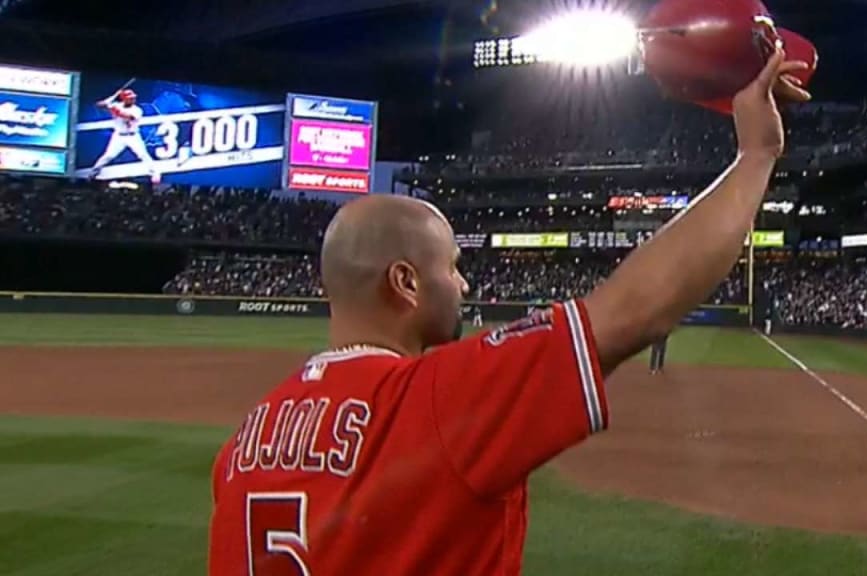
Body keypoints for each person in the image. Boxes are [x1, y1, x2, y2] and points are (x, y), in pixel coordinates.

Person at [207, 48, 811, 576]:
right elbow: (639, 309)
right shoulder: (436, 400)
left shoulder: (246, 441)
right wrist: (755, 155)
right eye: (452, 266)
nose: (464, 283)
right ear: (405, 283)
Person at [88, 87, 161, 184]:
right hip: (119, 136)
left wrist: (112, 108)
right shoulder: (117, 105)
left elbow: (128, 116)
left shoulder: (137, 110)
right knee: (108, 156)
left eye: (133, 98)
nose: (133, 99)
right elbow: (98, 105)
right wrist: (112, 98)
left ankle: (155, 173)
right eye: (130, 98)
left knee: (143, 154)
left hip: (133, 136)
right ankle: (92, 174)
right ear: (124, 98)